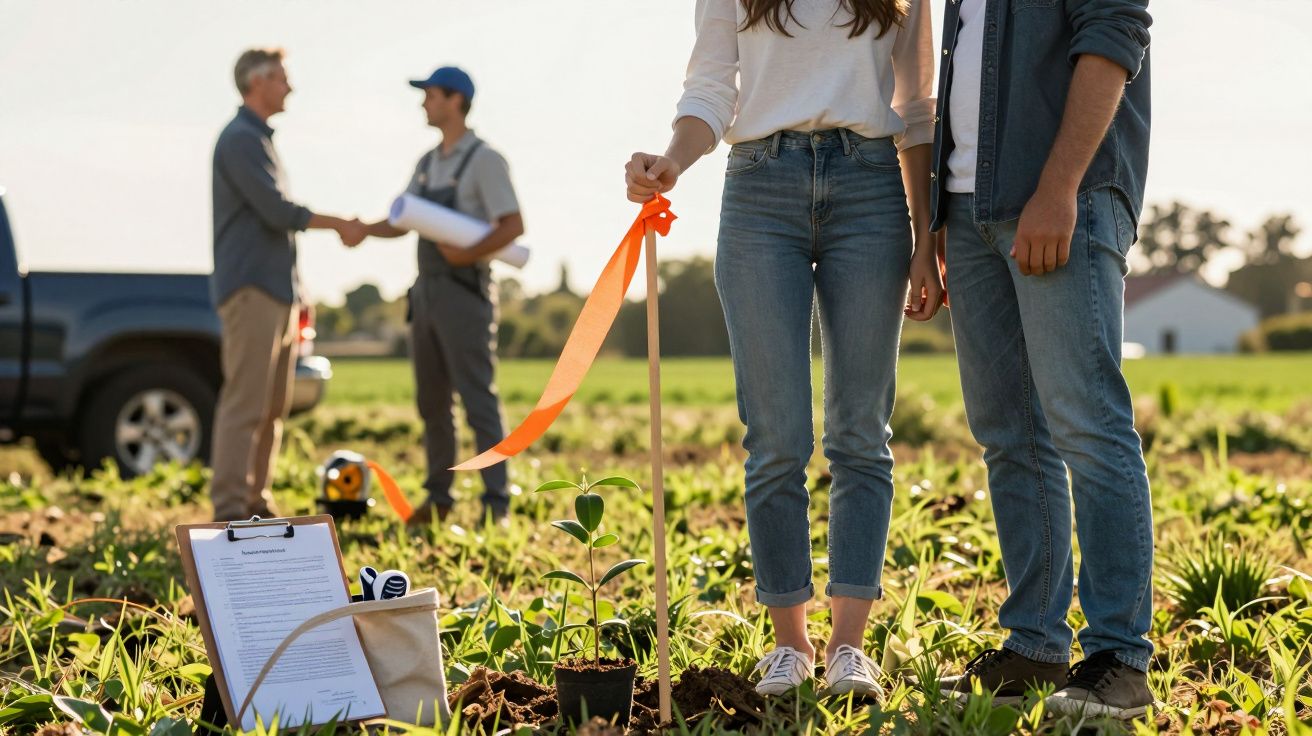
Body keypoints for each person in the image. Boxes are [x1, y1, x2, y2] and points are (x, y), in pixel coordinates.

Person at [625, 0, 940, 698]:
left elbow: (916, 108)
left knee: (860, 433)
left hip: (871, 189)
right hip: (759, 191)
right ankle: (791, 647)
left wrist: (927, 238)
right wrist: (672, 160)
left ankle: (849, 648)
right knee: (775, 438)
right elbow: (711, 88)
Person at [927, 0, 1156, 720]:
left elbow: (1115, 35)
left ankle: (1119, 659)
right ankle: (1035, 645)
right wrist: (940, 215)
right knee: (1010, 436)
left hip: (1062, 198)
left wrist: (1059, 188)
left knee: (1087, 423)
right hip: (968, 209)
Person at [209, 47, 367, 522]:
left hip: (276, 292)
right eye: (281, 78)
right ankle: (230, 509)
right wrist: (339, 223)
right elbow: (277, 212)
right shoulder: (240, 139)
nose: (290, 87)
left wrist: (298, 292)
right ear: (256, 82)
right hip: (252, 290)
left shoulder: (257, 139)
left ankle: (256, 503)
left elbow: (273, 227)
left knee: (272, 407)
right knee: (246, 404)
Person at [363, 66, 524, 528]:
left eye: (430, 95)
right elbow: (402, 220)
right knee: (432, 403)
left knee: (478, 402)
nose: (423, 103)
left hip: (464, 292)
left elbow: (513, 225)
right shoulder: (428, 162)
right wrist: (360, 229)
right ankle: (439, 499)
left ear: (456, 100)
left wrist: (465, 254)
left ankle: (496, 504)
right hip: (426, 293)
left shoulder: (485, 160)